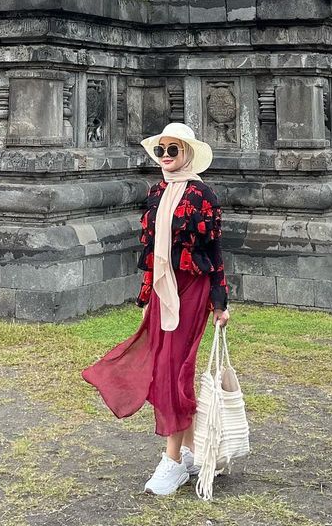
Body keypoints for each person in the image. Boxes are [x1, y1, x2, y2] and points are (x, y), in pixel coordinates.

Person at [82, 122, 230, 496]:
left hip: (192, 288)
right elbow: (150, 251)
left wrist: (220, 302)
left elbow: (214, 252)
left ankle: (172, 460)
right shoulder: (156, 193)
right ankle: (194, 452)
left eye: (173, 151)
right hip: (164, 291)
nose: (165, 158)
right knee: (165, 363)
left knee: (173, 369)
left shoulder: (202, 195)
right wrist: (148, 293)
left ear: (188, 153)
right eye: (160, 151)